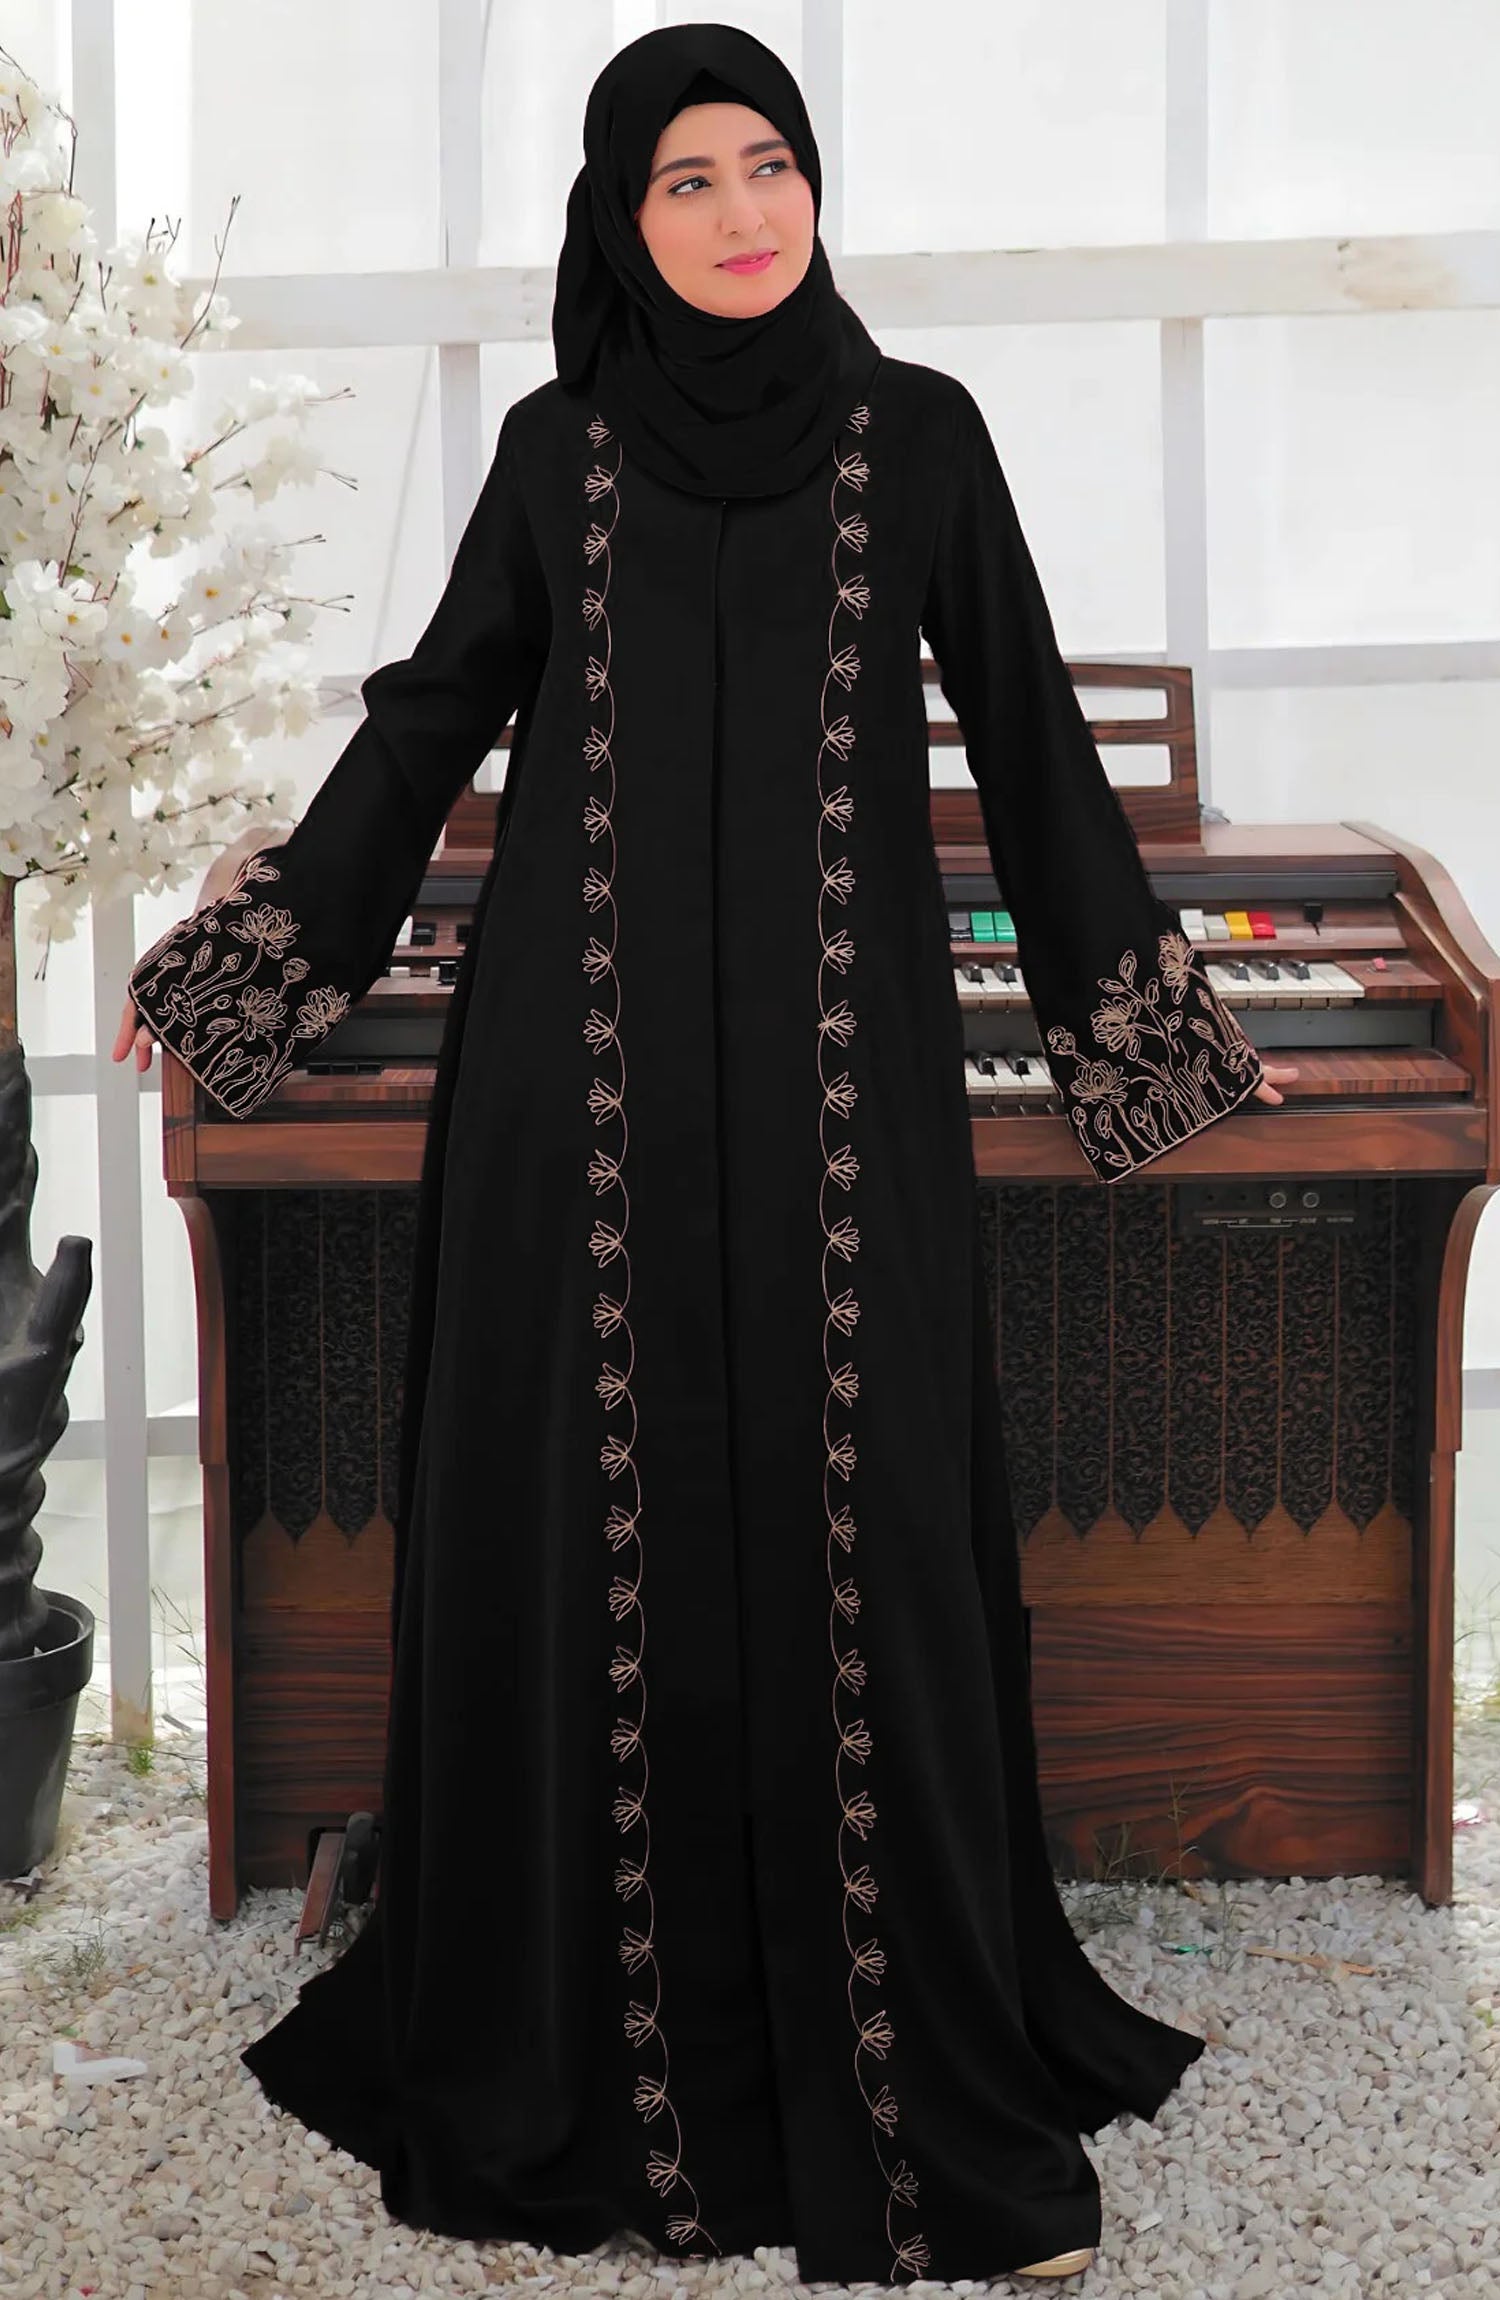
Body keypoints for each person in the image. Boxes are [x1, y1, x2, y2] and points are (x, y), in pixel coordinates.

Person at [114, 21, 1295, 2288]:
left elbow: (1030, 734)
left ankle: (905, 2074)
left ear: (819, 186)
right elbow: (430, 725)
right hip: (577, 1098)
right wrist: (247, 969)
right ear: (618, 217)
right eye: (688, 180)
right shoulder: (557, 455)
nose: (745, 213)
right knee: (606, 1526)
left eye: (773, 164)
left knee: (862, 1530)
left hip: (850, 1104)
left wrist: (1146, 1040)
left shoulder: (918, 438)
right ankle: (598, 2043)